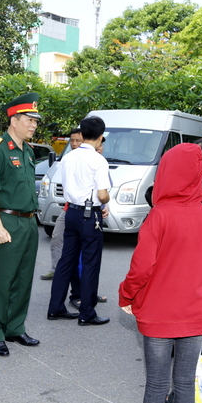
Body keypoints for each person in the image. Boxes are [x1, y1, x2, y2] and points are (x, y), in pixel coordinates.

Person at [119, 143, 202, 403]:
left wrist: (127, 295)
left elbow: (141, 269)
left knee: (157, 382)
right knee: (184, 380)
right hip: (194, 314)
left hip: (159, 316)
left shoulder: (158, 216)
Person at [0, 93, 42, 356]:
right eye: (29, 120)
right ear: (13, 120)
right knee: (3, 280)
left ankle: (15, 327)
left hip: (29, 222)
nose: (33, 125)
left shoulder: (28, 151)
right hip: (7, 221)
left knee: (23, 279)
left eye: (36, 121)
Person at [47, 115, 111, 325]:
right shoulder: (98, 160)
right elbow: (102, 195)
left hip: (71, 212)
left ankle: (55, 307)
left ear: (82, 135)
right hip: (89, 213)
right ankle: (87, 313)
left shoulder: (69, 157)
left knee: (66, 260)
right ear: (101, 137)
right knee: (91, 262)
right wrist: (107, 199)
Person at [41, 128, 83, 281]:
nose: (74, 143)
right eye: (71, 140)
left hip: (85, 210)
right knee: (57, 237)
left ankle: (82, 283)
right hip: (68, 207)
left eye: (78, 140)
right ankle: (56, 269)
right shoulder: (67, 158)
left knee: (82, 248)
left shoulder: (91, 159)